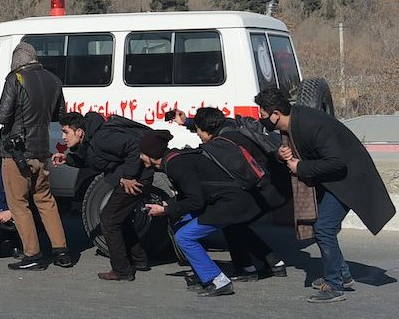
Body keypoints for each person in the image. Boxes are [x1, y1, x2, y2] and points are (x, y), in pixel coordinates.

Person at [255, 87, 396, 303]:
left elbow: (337, 162)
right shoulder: (292, 123)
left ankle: (334, 285)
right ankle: (343, 275)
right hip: (332, 181)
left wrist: (300, 167)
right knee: (323, 228)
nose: (260, 118)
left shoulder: (311, 124)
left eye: (263, 114)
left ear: (275, 114)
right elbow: (295, 153)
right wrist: (280, 155)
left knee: (323, 228)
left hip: (347, 181)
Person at [143, 126, 266, 297]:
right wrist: (169, 203)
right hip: (223, 201)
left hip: (230, 204)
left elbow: (195, 200)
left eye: (141, 153)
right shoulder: (175, 159)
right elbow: (193, 192)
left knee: (184, 236)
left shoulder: (175, 165)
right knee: (180, 226)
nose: (139, 157)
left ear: (150, 154)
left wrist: (166, 209)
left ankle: (218, 281)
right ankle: (204, 277)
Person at [185, 107, 288, 281]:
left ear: (207, 129)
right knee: (237, 222)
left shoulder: (223, 144)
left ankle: (246, 269)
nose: (198, 135)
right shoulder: (233, 129)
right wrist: (186, 122)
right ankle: (274, 263)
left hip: (265, 190)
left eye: (198, 131)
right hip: (275, 186)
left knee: (231, 218)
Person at [51, 111, 154, 281]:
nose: (63, 137)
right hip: (129, 178)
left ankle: (122, 271)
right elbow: (91, 162)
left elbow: (135, 146)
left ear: (79, 131)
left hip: (137, 179)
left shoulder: (102, 137)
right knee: (121, 217)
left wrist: (128, 176)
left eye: (66, 132)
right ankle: (139, 260)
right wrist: (67, 159)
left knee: (108, 220)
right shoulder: (90, 141)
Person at [0, 42, 72, 271]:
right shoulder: (53, 80)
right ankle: (61, 251)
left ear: (18, 60)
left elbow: (2, 116)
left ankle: (33, 255)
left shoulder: (15, 79)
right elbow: (60, 114)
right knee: (46, 201)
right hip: (41, 152)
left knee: (19, 204)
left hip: (16, 153)